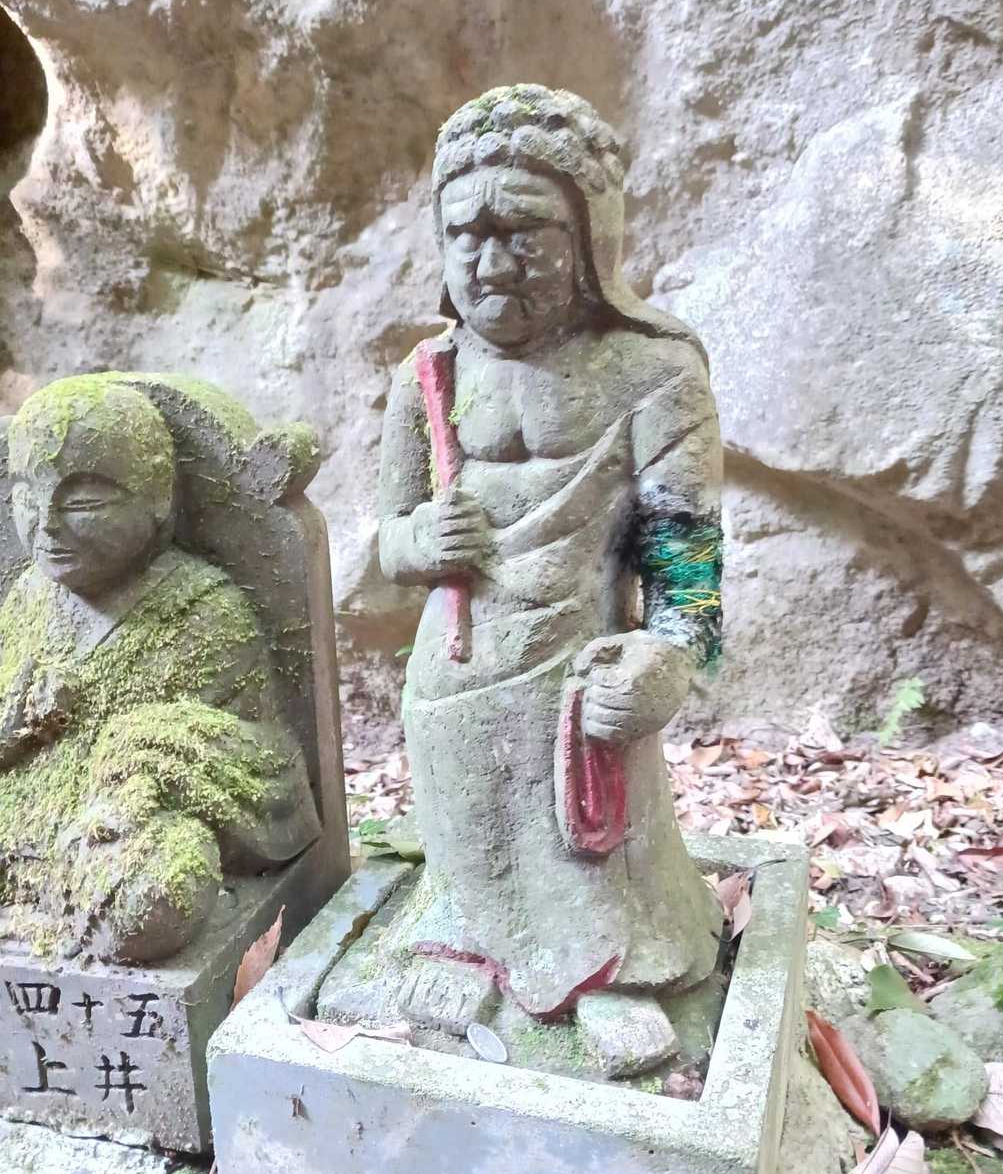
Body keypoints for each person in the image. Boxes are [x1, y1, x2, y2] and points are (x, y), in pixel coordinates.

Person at [377, 85, 724, 1074]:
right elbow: (384, 543)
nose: (490, 265)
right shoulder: (428, 377)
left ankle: (610, 971)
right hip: (454, 668)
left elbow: (688, 563)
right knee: (471, 830)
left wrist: (667, 658)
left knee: (588, 846)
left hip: (577, 665)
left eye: (522, 234)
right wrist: (418, 542)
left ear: (588, 239)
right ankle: (463, 941)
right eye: (465, 236)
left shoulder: (654, 372)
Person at [0, 375, 320, 963]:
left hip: (111, 841)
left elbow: (266, 758)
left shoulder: (204, 608)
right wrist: (14, 725)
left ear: (157, 502)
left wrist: (157, 748)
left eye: (83, 502)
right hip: (18, 821)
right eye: (26, 496)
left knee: (163, 885)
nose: (46, 524)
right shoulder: (27, 599)